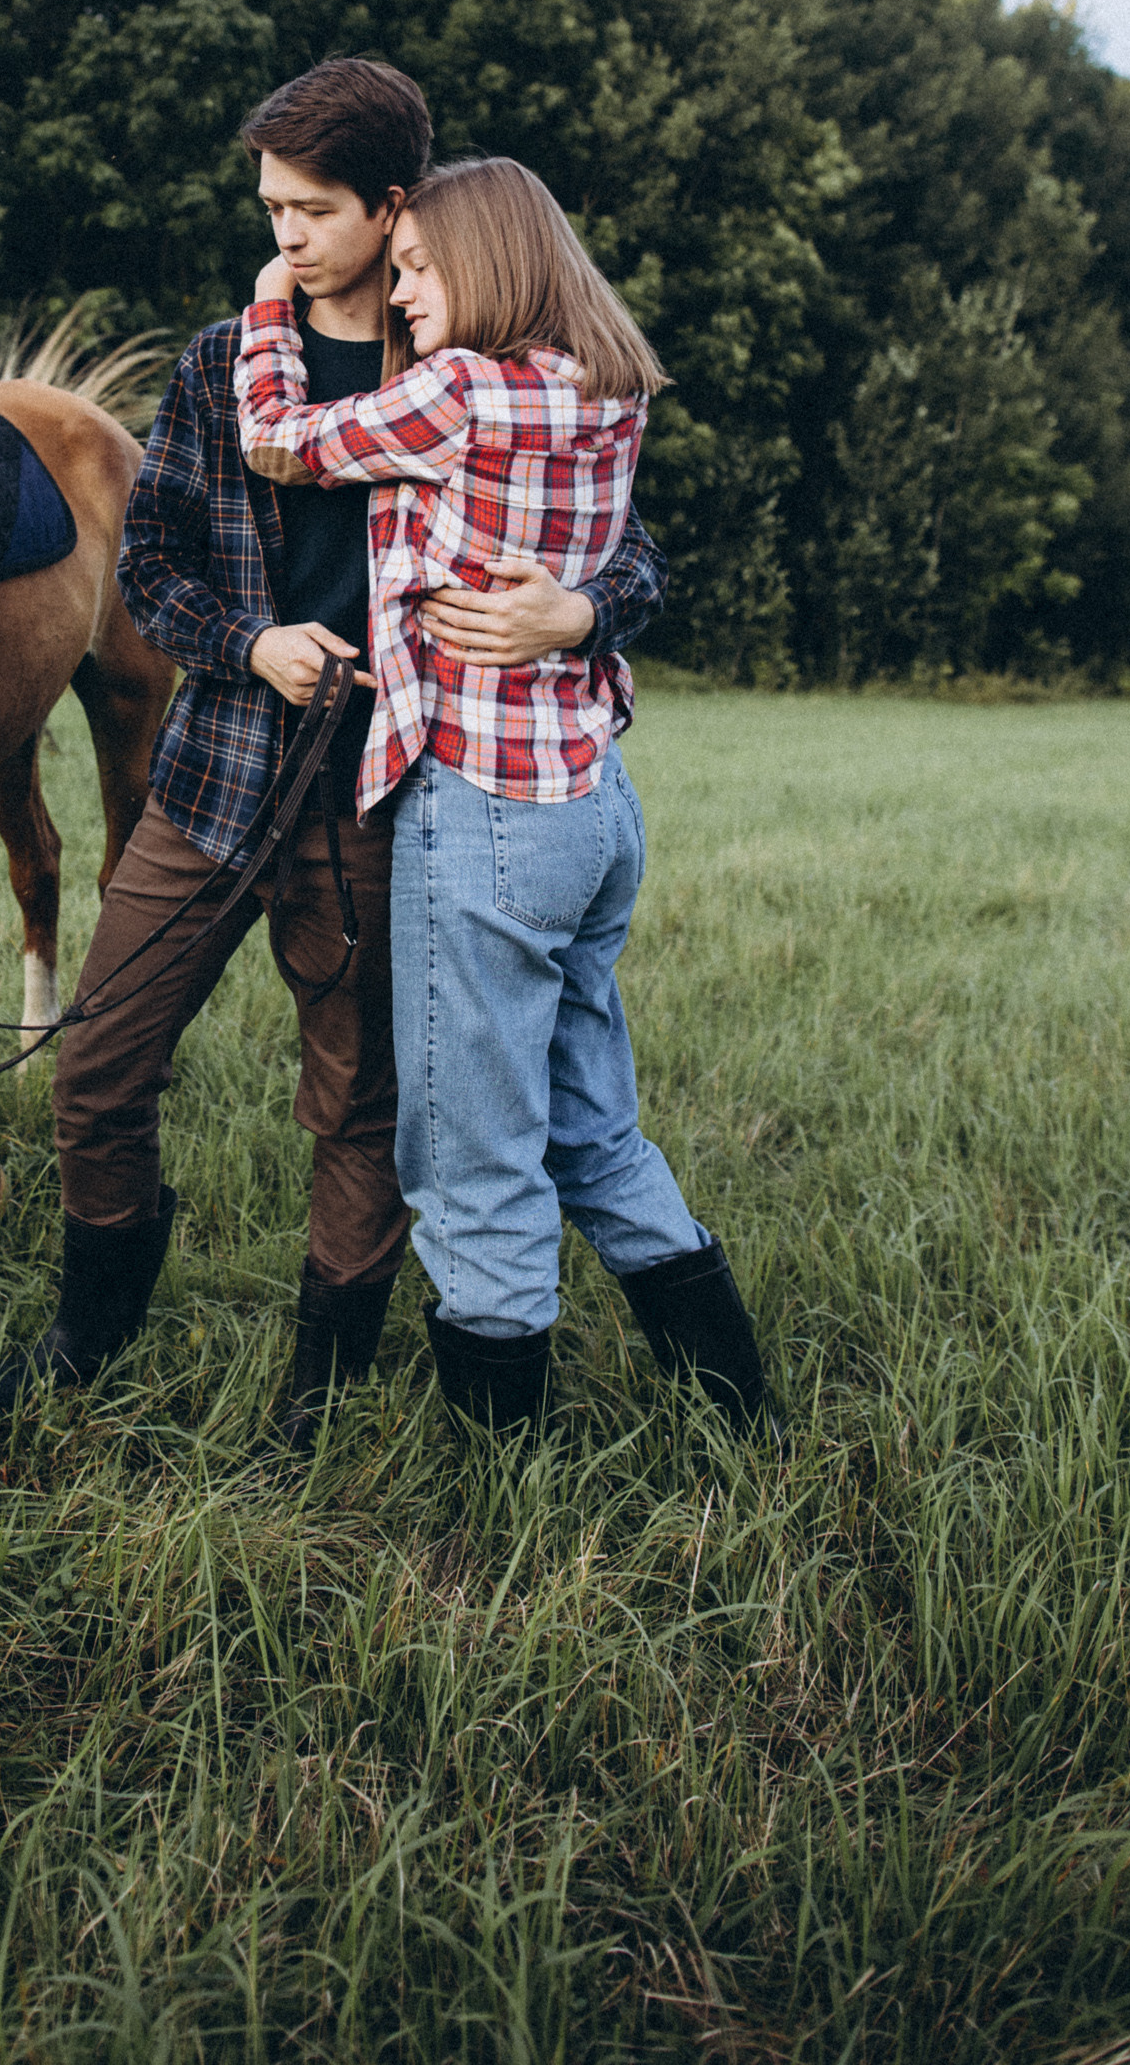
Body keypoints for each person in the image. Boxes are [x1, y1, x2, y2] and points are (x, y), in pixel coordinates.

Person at [2, 60, 672, 1444]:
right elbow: (154, 574)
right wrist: (251, 642)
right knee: (99, 1066)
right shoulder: (221, 363)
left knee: (359, 1100)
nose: (285, 236)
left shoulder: (470, 365)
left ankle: (321, 1383)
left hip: (397, 797)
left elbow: (629, 550)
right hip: (215, 780)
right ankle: (93, 1324)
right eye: (271, 208)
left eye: (311, 210)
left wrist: (582, 609)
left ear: (391, 208)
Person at [235, 154, 776, 1444]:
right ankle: (740, 1410)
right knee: (593, 1127)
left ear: (486, 264)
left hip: (483, 808)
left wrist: (269, 305)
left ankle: (503, 1481)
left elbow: (279, 441)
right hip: (590, 798)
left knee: (469, 1162)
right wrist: (579, 613)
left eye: (422, 270)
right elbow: (613, 556)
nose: (407, 294)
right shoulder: (608, 386)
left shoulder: (462, 392)